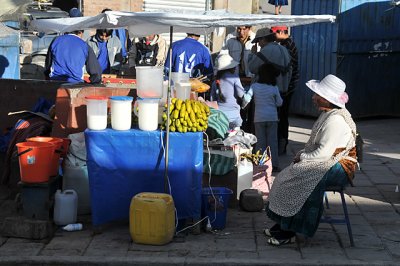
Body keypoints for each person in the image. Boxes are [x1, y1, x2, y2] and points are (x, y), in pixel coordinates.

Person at [264, 74, 358, 246]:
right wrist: (302, 155)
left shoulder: (335, 120)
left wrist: (303, 157)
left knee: (299, 179)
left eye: (318, 95)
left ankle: (290, 230)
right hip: (330, 159)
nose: (313, 97)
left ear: (328, 100)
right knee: (286, 176)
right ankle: (283, 223)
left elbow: (323, 154)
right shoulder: (328, 114)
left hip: (340, 167)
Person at [246, 63, 283, 171]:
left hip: (259, 118)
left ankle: (259, 165)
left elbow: (247, 99)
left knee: (260, 143)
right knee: (272, 143)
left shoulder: (254, 86)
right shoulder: (274, 88)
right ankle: (274, 165)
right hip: (272, 118)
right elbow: (279, 103)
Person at [271, 25, 299, 155]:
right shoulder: (287, 44)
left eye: (274, 33)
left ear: (282, 32)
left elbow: (286, 68)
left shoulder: (287, 46)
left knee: (282, 116)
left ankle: (281, 145)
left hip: (286, 87)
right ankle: (281, 144)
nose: (272, 36)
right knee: (282, 116)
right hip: (287, 86)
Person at [210, 53, 245, 129]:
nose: (235, 68)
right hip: (234, 114)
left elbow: (212, 99)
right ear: (230, 67)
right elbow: (240, 94)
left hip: (220, 115)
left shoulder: (215, 81)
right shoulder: (234, 77)